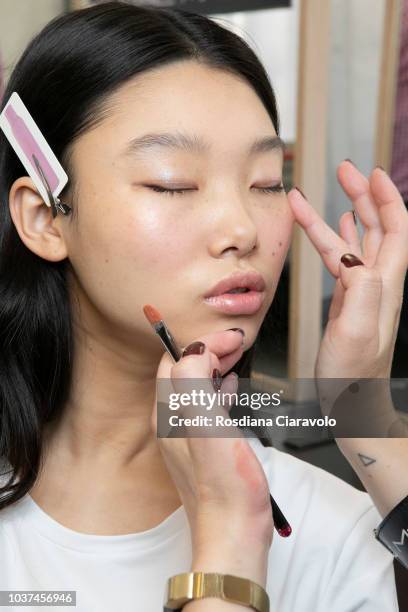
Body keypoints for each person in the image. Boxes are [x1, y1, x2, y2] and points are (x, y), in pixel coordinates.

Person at [0, 2, 406, 610]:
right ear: (44, 217)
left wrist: (361, 406)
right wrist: (227, 561)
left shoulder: (334, 532)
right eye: (173, 183)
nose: (241, 228)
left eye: (268, 182)